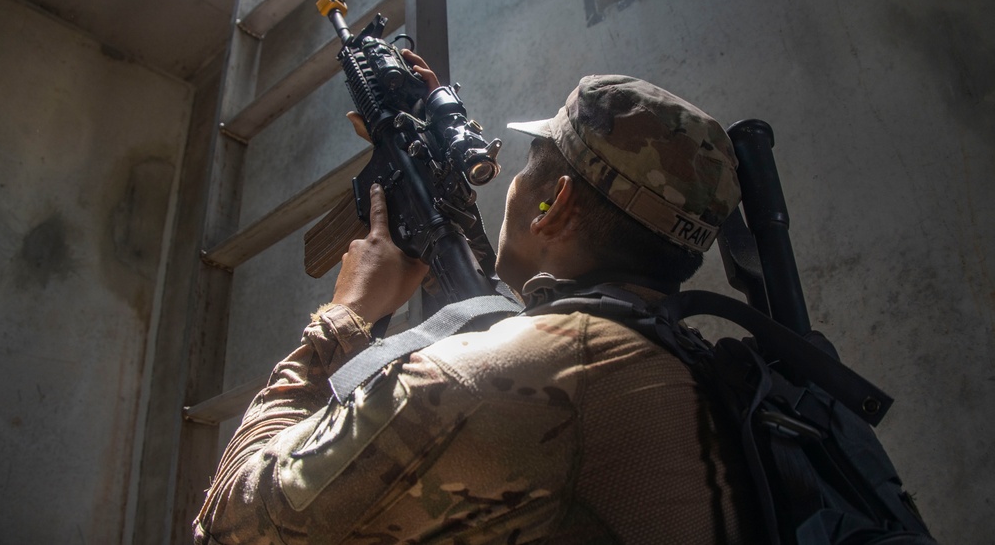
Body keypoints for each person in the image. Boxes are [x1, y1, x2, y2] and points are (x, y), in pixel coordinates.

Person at [194, 56, 761, 544]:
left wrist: (347, 316)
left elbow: (232, 523)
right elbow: (505, 326)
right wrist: (435, 181)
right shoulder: (684, 363)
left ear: (554, 206)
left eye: (524, 168)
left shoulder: (469, 385)